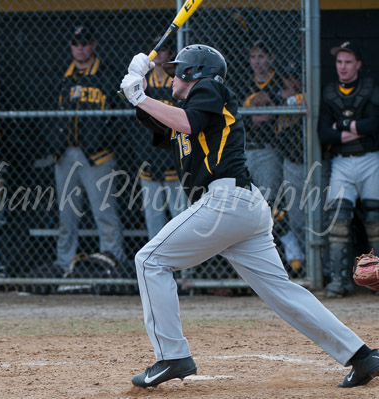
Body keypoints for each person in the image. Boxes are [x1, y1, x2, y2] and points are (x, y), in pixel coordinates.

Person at [119, 44, 379, 389]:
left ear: (194, 73)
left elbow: (185, 120)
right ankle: (362, 357)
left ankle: (172, 355)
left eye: (177, 72)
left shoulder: (210, 88)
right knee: (283, 293)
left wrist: (140, 96)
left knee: (149, 260)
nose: (171, 79)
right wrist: (137, 87)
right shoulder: (190, 108)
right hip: (240, 208)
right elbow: (165, 123)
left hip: (226, 202)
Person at [36, 23, 127, 277]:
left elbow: (121, 118)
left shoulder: (107, 75)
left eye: (85, 43)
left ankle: (112, 262)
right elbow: (48, 116)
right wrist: (55, 144)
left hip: (98, 156)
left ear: (94, 44)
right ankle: (65, 264)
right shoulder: (61, 76)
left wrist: (104, 140)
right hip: (65, 155)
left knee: (105, 213)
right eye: (75, 43)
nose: (80, 48)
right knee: (67, 215)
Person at [318, 41, 379, 298]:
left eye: (348, 62)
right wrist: (357, 128)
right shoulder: (330, 91)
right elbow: (324, 133)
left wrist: (342, 127)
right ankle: (338, 282)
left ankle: (376, 281)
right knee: (338, 223)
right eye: (339, 62)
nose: (343, 67)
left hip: (371, 159)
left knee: (375, 221)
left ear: (358, 65)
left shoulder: (371, 88)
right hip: (341, 163)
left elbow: (375, 125)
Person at [136, 37, 188, 240]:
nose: (158, 54)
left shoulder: (176, 83)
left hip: (172, 157)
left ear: (171, 54)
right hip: (149, 154)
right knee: (153, 216)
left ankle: (185, 269)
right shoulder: (142, 80)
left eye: (163, 49)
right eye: (154, 49)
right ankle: (155, 262)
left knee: (180, 215)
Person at [241, 41, 283, 208]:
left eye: (261, 57)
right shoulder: (244, 81)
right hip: (245, 148)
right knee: (244, 200)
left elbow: (279, 108)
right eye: (253, 57)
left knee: (269, 200)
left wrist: (253, 110)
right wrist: (255, 117)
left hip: (270, 147)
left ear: (271, 58)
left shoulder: (280, 80)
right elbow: (236, 113)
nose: (256, 62)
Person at [276, 60, 306, 274]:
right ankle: (306, 267)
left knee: (324, 218)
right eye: (288, 77)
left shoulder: (310, 92)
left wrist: (291, 99)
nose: (291, 81)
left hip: (315, 161)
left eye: (295, 77)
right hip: (291, 161)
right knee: (296, 218)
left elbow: (308, 99)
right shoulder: (278, 94)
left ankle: (324, 269)